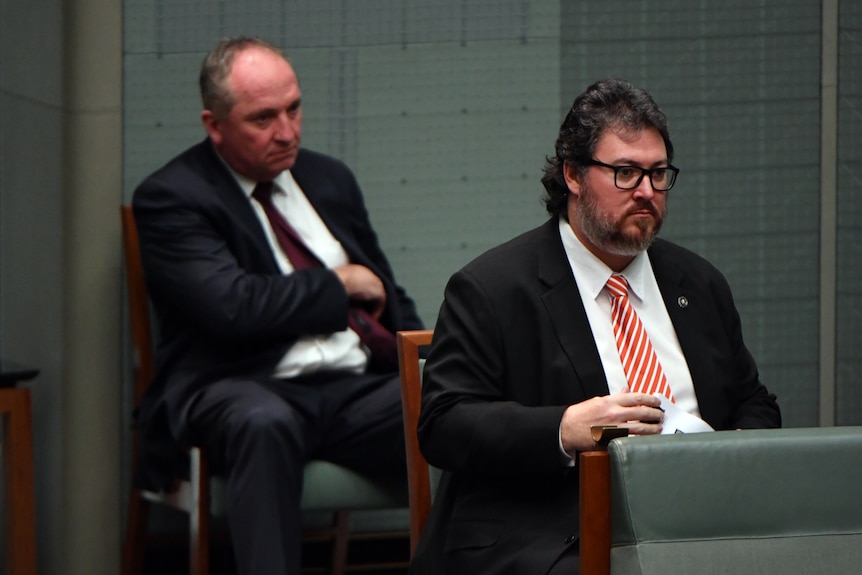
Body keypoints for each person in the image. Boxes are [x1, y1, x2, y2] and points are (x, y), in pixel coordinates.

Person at [410, 78, 781, 575]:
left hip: (695, 521)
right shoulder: (492, 288)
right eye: (625, 173)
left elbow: (754, 401)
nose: (647, 191)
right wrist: (564, 429)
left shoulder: (697, 282)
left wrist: (725, 455)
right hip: (553, 529)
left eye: (658, 173)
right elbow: (444, 425)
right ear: (573, 175)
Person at [132, 36, 423, 575]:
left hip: (352, 392)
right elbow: (232, 308)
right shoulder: (173, 197)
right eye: (263, 119)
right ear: (214, 124)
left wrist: (431, 362)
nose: (287, 132)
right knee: (263, 422)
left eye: (294, 109)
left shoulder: (328, 179)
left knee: (452, 401)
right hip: (241, 386)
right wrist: (341, 287)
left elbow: (386, 296)